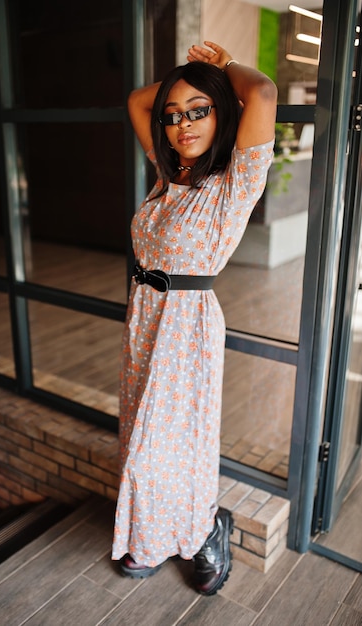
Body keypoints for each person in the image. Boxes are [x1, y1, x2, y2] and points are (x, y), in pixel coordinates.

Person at [111, 41, 277, 595]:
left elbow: (264, 93)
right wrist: (187, 84)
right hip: (145, 318)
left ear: (222, 113)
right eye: (175, 116)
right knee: (140, 435)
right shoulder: (169, 175)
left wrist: (220, 71)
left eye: (198, 110)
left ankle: (205, 527)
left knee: (179, 444)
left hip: (188, 325)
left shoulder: (232, 183)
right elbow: (138, 103)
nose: (182, 124)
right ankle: (152, 535)